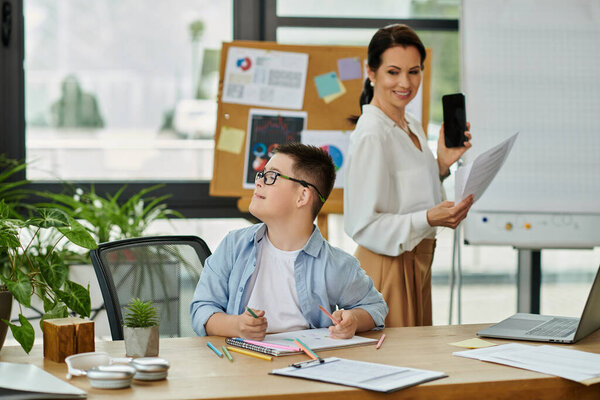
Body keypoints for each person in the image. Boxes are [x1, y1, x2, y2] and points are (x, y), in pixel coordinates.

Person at [344, 24, 474, 328]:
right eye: (393, 72)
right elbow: (362, 225)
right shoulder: (372, 135)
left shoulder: (410, 124)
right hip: (386, 267)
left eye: (414, 71)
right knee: (396, 365)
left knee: (418, 361)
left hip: (417, 261)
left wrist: (441, 166)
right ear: (371, 72)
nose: (405, 82)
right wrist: (428, 218)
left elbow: (405, 196)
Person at [191, 143, 388, 340]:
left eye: (271, 177)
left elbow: (375, 307)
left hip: (308, 362)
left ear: (302, 196)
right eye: (261, 174)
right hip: (242, 360)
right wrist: (235, 326)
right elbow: (202, 308)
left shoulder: (336, 264)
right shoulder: (234, 246)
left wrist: (353, 319)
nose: (258, 182)